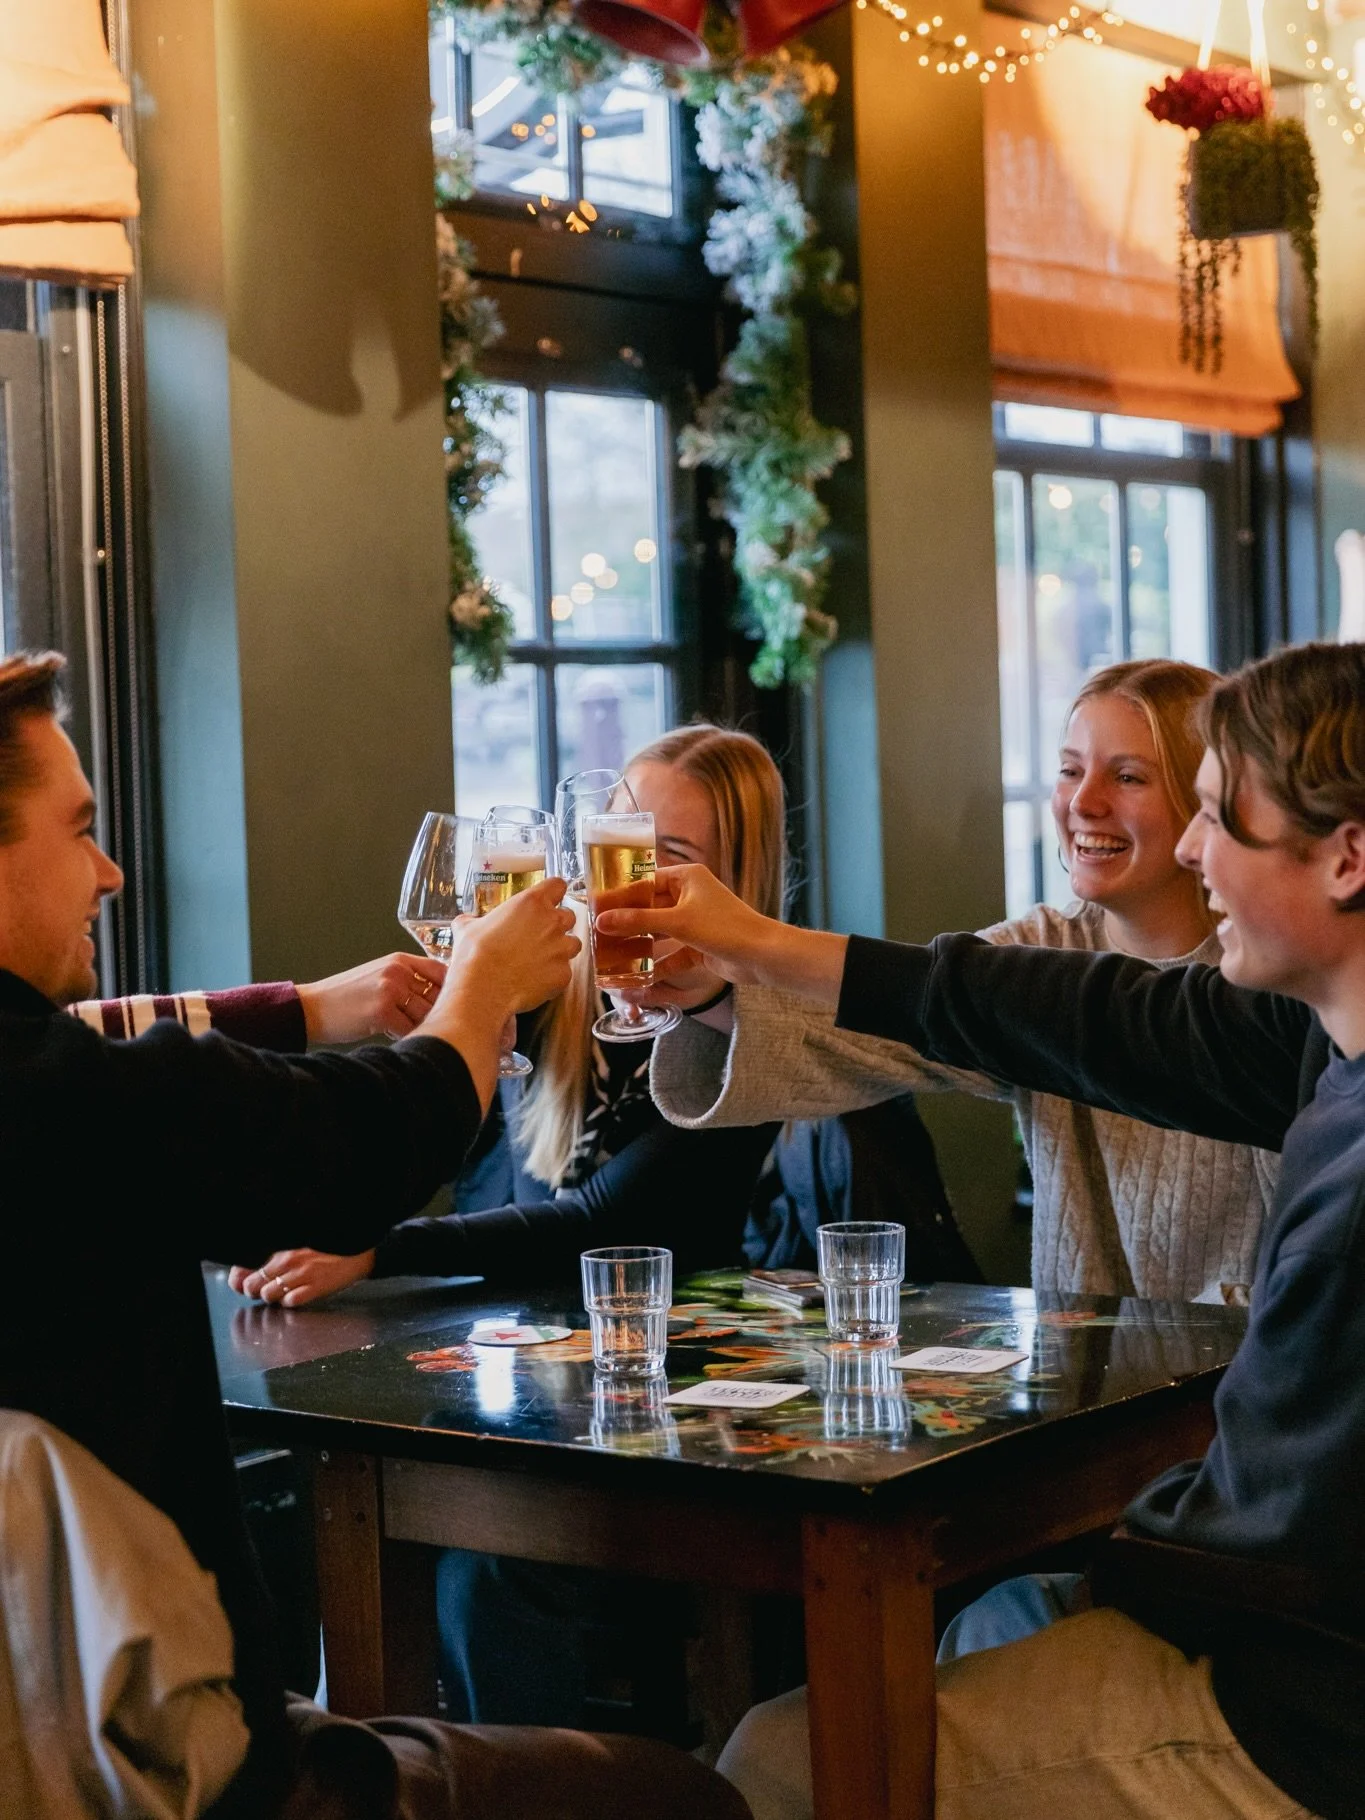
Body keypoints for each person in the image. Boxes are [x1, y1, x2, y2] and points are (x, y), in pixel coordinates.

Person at [600, 639, 1365, 1819]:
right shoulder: (1302, 1033)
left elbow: (1271, 1538)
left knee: (780, 1757)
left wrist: (1116, 1556)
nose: (1194, 844)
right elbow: (999, 1004)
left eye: (1215, 814)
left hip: (1293, 1706)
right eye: (1071, 768)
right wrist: (732, 959)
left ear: (1347, 857)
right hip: (1237, 1587)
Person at [0, 650, 752, 1820]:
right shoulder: (55, 1097)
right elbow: (352, 1152)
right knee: (691, 1802)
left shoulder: (43, 1076)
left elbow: (109, 1039)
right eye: (80, 829)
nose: (109, 869)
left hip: (47, 1711)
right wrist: (477, 999)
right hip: (146, 1758)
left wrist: (312, 1007)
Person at [222, 724, 971, 1731]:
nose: (631, 879)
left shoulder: (761, 1035)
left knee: (480, 1575)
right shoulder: (554, 1010)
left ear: (736, 876)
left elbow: (607, 1223)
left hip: (685, 1426)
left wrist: (378, 1247)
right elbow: (446, 1157)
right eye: (620, 840)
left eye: (675, 856)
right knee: (330, 1522)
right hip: (529, 1390)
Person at [636, 661, 1278, 1303]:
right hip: (1085, 1376)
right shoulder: (1045, 946)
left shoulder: (1271, 979)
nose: (1084, 803)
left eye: (1128, 776)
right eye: (1071, 770)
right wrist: (710, 992)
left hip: (1238, 1382)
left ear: (1208, 805)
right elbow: (880, 1031)